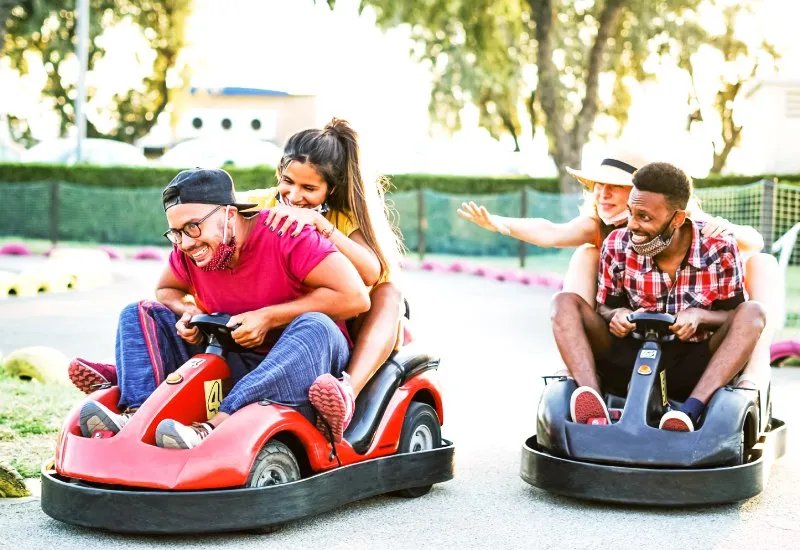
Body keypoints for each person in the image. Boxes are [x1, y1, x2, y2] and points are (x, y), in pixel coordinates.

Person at [70, 119, 405, 443]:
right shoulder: (244, 211)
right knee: (138, 312)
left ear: (329, 190)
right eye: (288, 182)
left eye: (308, 188)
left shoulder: (308, 228)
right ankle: (135, 405)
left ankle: (339, 393)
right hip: (236, 339)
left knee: (376, 299)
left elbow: (370, 279)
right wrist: (186, 309)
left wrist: (319, 228)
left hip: (314, 337)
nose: (294, 195)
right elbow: (177, 268)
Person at [456, 146, 782, 393]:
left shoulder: (692, 227)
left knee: (763, 265)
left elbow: (753, 242)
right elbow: (551, 232)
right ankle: (573, 373)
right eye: (598, 185)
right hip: (623, 331)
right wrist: (499, 224)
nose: (603, 193)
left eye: (614, 186)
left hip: (686, 338)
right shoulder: (601, 230)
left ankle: (754, 372)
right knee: (584, 255)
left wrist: (721, 229)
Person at [550, 162, 766, 431]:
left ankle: (689, 412)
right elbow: (605, 306)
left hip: (692, 363)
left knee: (753, 313)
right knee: (563, 303)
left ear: (677, 218)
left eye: (645, 217)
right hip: (629, 356)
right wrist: (614, 314)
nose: (632, 225)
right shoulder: (617, 243)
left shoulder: (719, 249)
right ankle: (594, 404)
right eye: (630, 212)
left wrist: (700, 316)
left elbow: (734, 314)